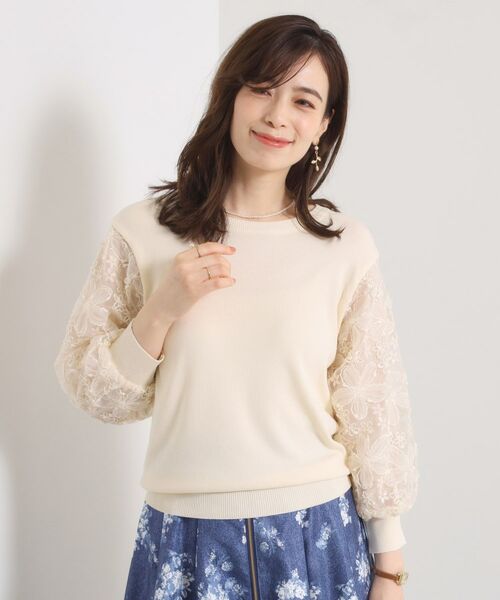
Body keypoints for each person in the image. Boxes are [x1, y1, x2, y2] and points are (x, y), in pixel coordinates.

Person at [54, 14, 419, 600]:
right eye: (263, 89)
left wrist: (389, 569)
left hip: (318, 534)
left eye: (303, 101)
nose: (278, 115)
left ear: (324, 124)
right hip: (182, 537)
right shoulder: (142, 233)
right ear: (230, 96)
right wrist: (161, 310)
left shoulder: (346, 247)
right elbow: (95, 394)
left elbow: (374, 413)